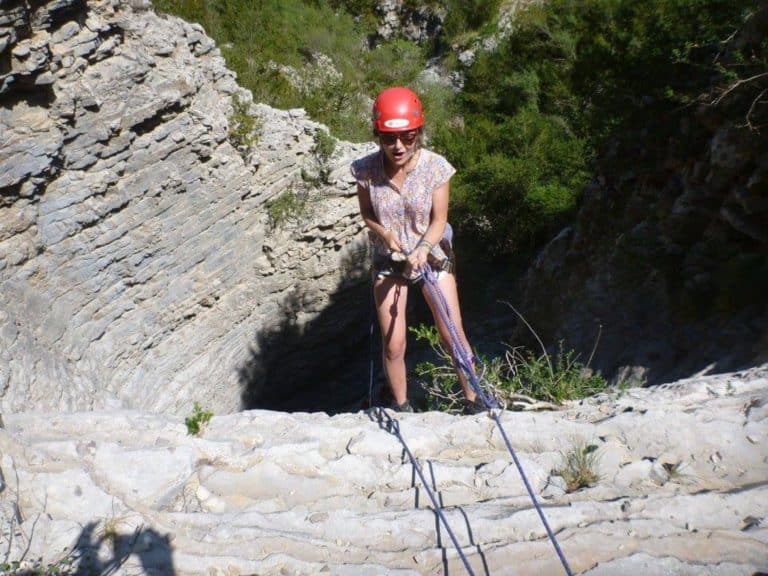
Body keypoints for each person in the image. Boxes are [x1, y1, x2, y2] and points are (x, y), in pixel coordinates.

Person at [351, 86, 486, 415]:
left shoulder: (436, 168)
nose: (398, 146)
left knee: (452, 334)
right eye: (388, 138)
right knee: (394, 343)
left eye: (407, 137)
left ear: (418, 134)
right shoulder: (366, 170)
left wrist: (423, 247)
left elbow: (439, 220)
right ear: (378, 136)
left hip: (433, 256)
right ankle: (401, 406)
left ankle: (474, 400)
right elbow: (368, 214)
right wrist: (384, 233)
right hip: (390, 258)